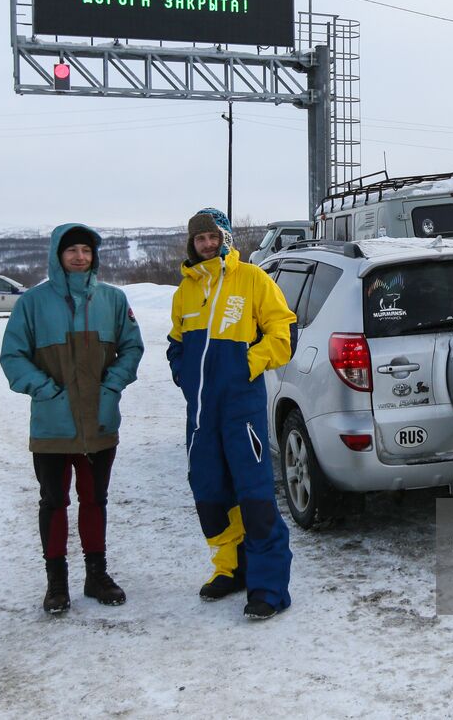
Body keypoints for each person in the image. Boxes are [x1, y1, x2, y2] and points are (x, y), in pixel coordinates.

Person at [0, 224, 144, 614]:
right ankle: (56, 584)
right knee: (53, 501)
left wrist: (111, 386)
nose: (80, 256)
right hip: (53, 425)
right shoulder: (33, 303)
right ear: (57, 255)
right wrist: (45, 390)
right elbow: (12, 356)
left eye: (86, 250)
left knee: (95, 499)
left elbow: (132, 348)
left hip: (99, 422)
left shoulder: (113, 300)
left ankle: (96, 576)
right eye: (72, 250)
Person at [166, 208, 296, 620]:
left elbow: (283, 333)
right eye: (200, 238)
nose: (207, 244)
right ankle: (231, 569)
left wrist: (246, 363)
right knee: (209, 492)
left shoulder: (253, 279)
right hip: (201, 415)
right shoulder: (185, 291)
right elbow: (176, 343)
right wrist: (182, 373)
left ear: (227, 239)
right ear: (193, 243)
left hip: (242, 411)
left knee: (254, 496)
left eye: (214, 237)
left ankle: (268, 587)